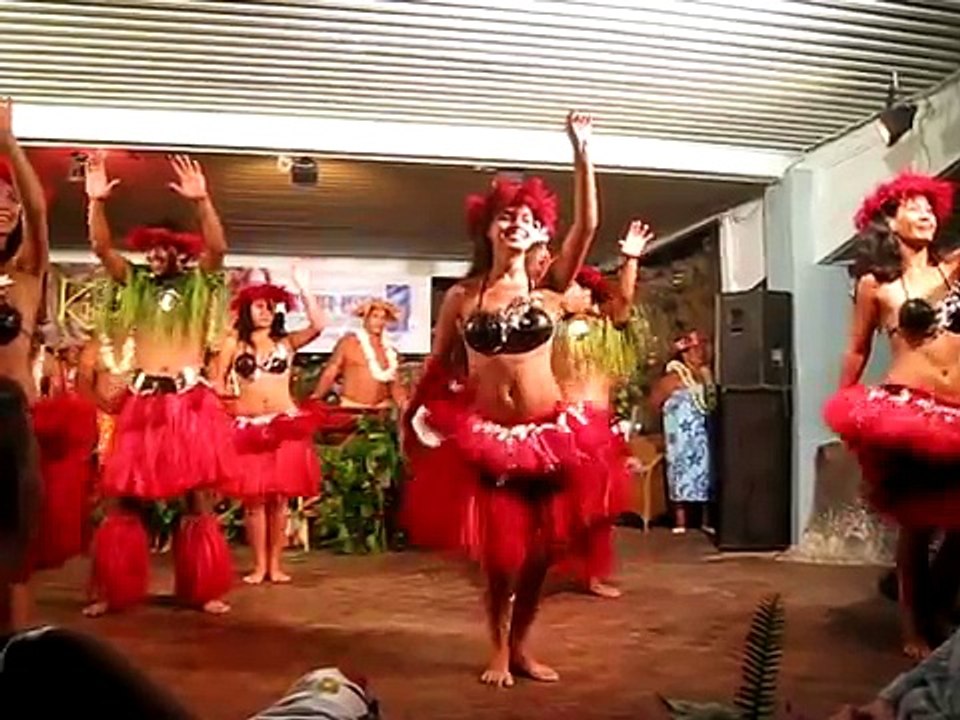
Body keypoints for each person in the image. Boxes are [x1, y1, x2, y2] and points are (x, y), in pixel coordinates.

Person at [402, 111, 626, 689]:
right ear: (488, 229)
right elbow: (440, 363)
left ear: (539, 233)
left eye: (526, 218)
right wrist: (419, 415)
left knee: (542, 554)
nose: (515, 224)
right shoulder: (462, 296)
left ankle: (522, 645)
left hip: (548, 434)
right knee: (500, 556)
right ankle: (498, 650)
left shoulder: (551, 292)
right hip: (490, 438)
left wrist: (583, 151)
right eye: (506, 216)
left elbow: (589, 224)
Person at [82, 150, 236, 617]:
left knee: (197, 499)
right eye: (150, 249)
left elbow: (218, 248)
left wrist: (202, 201)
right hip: (144, 403)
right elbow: (102, 249)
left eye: (164, 248)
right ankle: (115, 590)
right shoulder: (135, 283)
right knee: (124, 499)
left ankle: (203, 588)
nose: (155, 255)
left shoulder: (198, 284)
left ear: (180, 251)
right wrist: (95, 203)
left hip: (189, 403)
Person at [823, 170, 960, 660]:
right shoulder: (875, 286)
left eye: (930, 206)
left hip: (957, 411)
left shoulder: (953, 267)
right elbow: (856, 349)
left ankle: (936, 600)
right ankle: (912, 628)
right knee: (917, 525)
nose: (925, 214)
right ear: (889, 218)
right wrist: (844, 405)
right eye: (913, 206)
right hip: (911, 411)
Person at [550, 219, 653, 598]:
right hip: (561, 426)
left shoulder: (606, 330)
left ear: (590, 295)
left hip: (596, 428)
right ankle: (528, 575)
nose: (568, 293)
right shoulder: (551, 330)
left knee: (598, 508)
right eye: (565, 287)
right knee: (552, 507)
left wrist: (630, 259)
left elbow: (624, 301)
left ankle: (590, 575)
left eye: (574, 287)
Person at [211, 270, 326, 584]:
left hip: (283, 427)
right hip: (249, 429)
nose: (266, 312)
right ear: (247, 310)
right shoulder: (234, 343)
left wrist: (305, 288)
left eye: (271, 307)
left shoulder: (286, 343)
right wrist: (225, 399)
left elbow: (318, 326)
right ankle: (259, 566)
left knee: (279, 501)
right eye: (259, 306)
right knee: (254, 502)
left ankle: (275, 565)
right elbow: (217, 381)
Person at [650, 331, 716, 534]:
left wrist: (707, 379)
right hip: (679, 438)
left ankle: (705, 520)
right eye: (694, 350)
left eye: (701, 349)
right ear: (684, 354)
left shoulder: (705, 376)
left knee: (706, 473)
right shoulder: (672, 377)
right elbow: (655, 403)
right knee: (679, 475)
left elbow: (712, 403)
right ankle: (680, 521)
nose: (699, 354)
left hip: (701, 436)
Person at [312, 298, 406, 410]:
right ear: (365, 319)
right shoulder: (348, 343)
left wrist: (406, 406)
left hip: (380, 410)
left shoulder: (390, 352)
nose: (379, 322)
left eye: (383, 318)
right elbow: (330, 372)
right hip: (352, 407)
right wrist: (315, 398)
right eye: (375, 316)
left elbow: (395, 386)